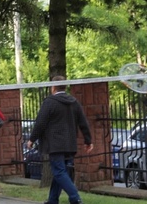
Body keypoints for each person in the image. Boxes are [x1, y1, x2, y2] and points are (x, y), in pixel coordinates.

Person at [27, 76, 93, 204]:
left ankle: (75, 198)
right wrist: (88, 140)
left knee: (59, 172)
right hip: (70, 144)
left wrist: (31, 139)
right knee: (61, 172)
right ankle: (52, 200)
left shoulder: (50, 102)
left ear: (53, 87)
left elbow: (40, 122)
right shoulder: (74, 102)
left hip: (55, 144)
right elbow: (83, 122)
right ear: (65, 86)